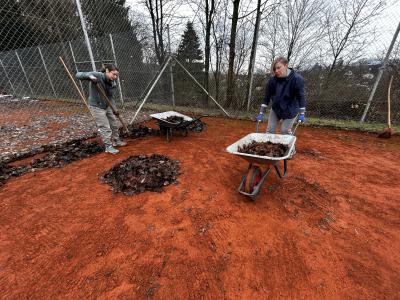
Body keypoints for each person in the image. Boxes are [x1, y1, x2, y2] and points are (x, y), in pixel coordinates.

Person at [76, 64, 126, 154]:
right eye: (113, 74)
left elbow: (110, 97)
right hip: (97, 106)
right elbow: (78, 75)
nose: (115, 77)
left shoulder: (113, 83)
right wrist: (90, 76)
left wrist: (115, 109)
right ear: (107, 71)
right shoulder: (97, 75)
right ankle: (108, 147)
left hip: (107, 105)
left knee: (113, 124)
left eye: (117, 75)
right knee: (105, 127)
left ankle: (116, 141)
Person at [256, 57, 306, 135]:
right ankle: (269, 147)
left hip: (290, 110)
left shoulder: (297, 79)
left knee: (285, 130)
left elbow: (301, 96)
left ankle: (291, 147)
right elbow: (267, 96)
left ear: (286, 65)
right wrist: (261, 113)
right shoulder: (272, 81)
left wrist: (302, 113)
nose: (276, 71)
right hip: (276, 109)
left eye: (278, 68)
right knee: (270, 130)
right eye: (275, 69)